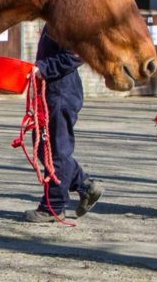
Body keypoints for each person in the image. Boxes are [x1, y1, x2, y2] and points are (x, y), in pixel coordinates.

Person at [23, 29, 104, 223]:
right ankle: (85, 185)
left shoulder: (69, 22)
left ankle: (53, 207)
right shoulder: (54, 21)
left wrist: (44, 68)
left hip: (61, 94)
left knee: (56, 151)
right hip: (50, 93)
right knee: (44, 149)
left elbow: (76, 55)